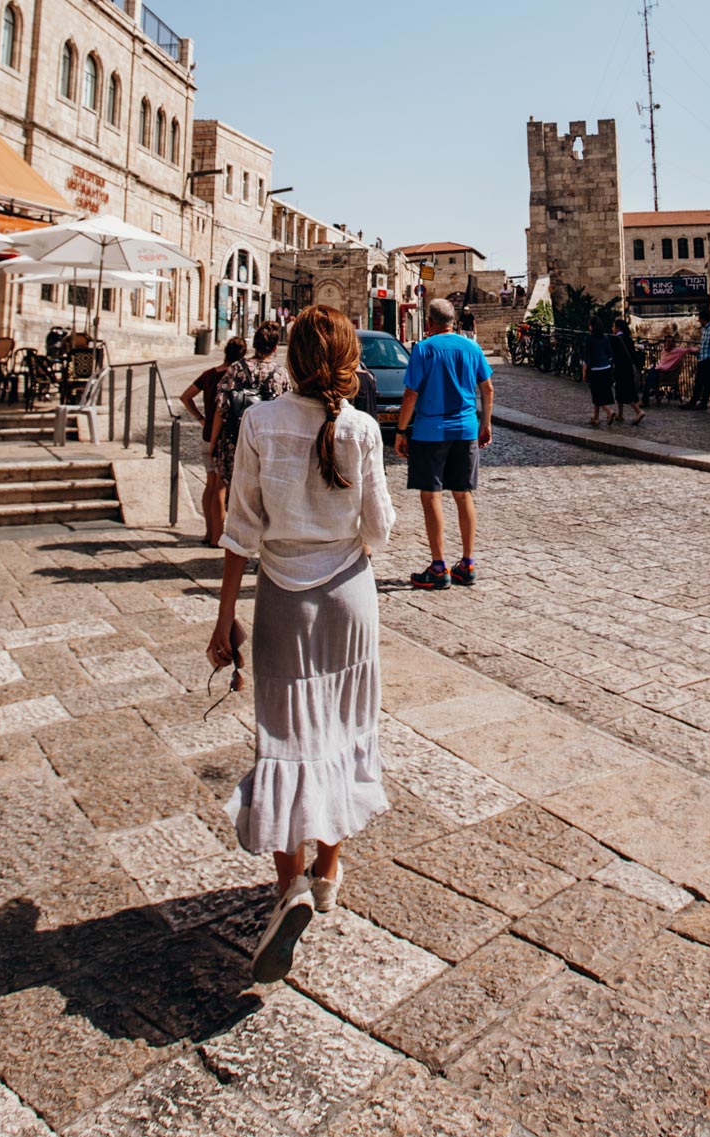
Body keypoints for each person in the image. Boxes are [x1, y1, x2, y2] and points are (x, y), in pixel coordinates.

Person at [208, 306, 395, 983]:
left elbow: (239, 529)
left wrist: (224, 616)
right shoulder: (363, 429)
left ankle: (289, 884)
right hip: (349, 601)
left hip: (283, 602)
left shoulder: (260, 422)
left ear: (292, 359)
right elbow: (380, 527)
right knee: (344, 732)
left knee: (285, 740)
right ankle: (328, 872)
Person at [394, 298, 493, 589]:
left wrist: (401, 431)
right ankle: (467, 563)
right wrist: (485, 423)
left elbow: (411, 394)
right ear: (453, 322)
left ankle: (438, 567)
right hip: (465, 430)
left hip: (430, 431)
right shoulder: (472, 348)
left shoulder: (424, 349)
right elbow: (487, 388)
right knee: (463, 494)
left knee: (432, 495)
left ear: (429, 323)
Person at [180, 336, 247, 545]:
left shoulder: (208, 374)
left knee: (210, 485)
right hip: (224, 437)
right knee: (220, 486)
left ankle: (209, 532)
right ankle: (217, 537)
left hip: (207, 434)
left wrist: (200, 418)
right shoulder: (235, 377)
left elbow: (185, 397)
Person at [211, 319, 291, 489]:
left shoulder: (236, 368)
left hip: (236, 439)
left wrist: (213, 441)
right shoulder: (281, 374)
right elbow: (287, 411)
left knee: (231, 490)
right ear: (275, 347)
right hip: (267, 443)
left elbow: (221, 407)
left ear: (254, 344)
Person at [684, 311, 710, 411]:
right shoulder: (705, 329)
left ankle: (700, 403)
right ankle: (697, 402)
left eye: (700, 319)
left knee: (704, 382)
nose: (699, 321)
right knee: (700, 381)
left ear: (703, 319)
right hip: (703, 358)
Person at [582, 318, 616, 426]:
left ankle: (608, 411)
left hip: (595, 369)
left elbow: (587, 358)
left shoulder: (589, 339)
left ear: (591, 327)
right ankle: (596, 417)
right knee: (602, 392)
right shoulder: (605, 338)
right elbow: (610, 354)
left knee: (596, 394)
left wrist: (584, 372)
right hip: (606, 368)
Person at [611, 318, 644, 425]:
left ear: (617, 328)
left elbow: (614, 355)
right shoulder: (628, 339)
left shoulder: (616, 339)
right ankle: (620, 414)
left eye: (613, 326)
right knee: (621, 390)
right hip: (629, 368)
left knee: (625, 391)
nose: (612, 328)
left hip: (620, 369)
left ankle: (638, 411)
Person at [642, 334, 692, 405]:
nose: (669, 343)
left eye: (671, 342)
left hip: (666, 374)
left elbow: (689, 349)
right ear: (664, 343)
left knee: (650, 375)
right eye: (668, 342)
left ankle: (645, 398)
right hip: (659, 371)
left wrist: (699, 350)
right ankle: (647, 394)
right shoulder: (663, 352)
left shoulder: (678, 351)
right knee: (650, 372)